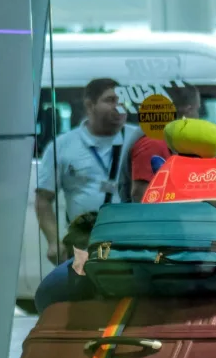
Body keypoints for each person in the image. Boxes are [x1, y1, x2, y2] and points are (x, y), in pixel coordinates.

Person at [35, 78, 138, 265]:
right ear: (90, 105)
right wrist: (53, 242)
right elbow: (43, 199)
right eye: (111, 100)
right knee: (82, 293)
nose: (120, 106)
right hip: (83, 245)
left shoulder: (140, 140)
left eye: (123, 101)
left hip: (130, 244)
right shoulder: (63, 146)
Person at [119, 83, 202, 204]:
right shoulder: (155, 141)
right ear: (188, 110)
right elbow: (141, 195)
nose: (198, 116)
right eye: (197, 110)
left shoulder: (164, 136)